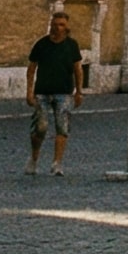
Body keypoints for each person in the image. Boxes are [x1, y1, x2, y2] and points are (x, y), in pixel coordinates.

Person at [25, 10, 87, 176]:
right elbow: (31, 69)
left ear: (66, 27)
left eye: (61, 25)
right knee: (40, 127)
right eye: (55, 24)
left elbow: (78, 69)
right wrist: (29, 92)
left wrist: (79, 91)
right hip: (42, 92)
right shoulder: (41, 44)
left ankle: (57, 163)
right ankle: (34, 158)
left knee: (62, 128)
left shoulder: (72, 45)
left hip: (64, 92)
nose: (58, 28)